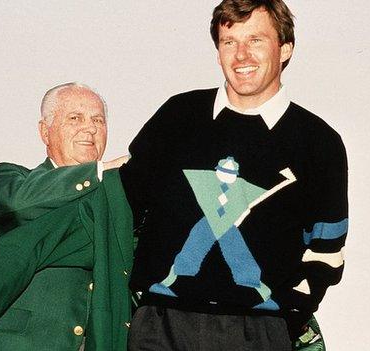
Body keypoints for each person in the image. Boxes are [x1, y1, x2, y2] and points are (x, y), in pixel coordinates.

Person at [120, 0, 348, 350]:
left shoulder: (319, 142)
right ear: (218, 51)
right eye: (229, 42)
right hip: (160, 328)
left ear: (285, 48)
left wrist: (287, 315)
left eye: (255, 40)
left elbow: (327, 250)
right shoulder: (178, 116)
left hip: (259, 334)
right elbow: (124, 208)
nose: (241, 55)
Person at [0, 83, 133, 351]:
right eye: (75, 118)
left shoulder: (121, 199)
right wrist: (101, 171)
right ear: (45, 131)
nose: (90, 128)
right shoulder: (11, 178)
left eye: (98, 120)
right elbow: (15, 206)